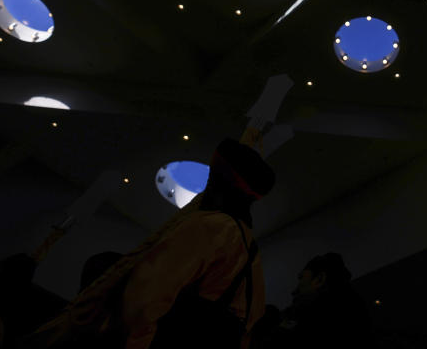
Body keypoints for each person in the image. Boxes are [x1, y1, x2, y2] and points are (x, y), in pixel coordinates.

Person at [20, 136, 275, 349]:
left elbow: (142, 303)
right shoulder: (247, 245)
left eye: (211, 177)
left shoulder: (212, 226)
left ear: (219, 183)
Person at [250, 253, 373, 349]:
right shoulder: (350, 313)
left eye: (301, 278)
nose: (294, 290)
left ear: (319, 279)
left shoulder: (317, 320)